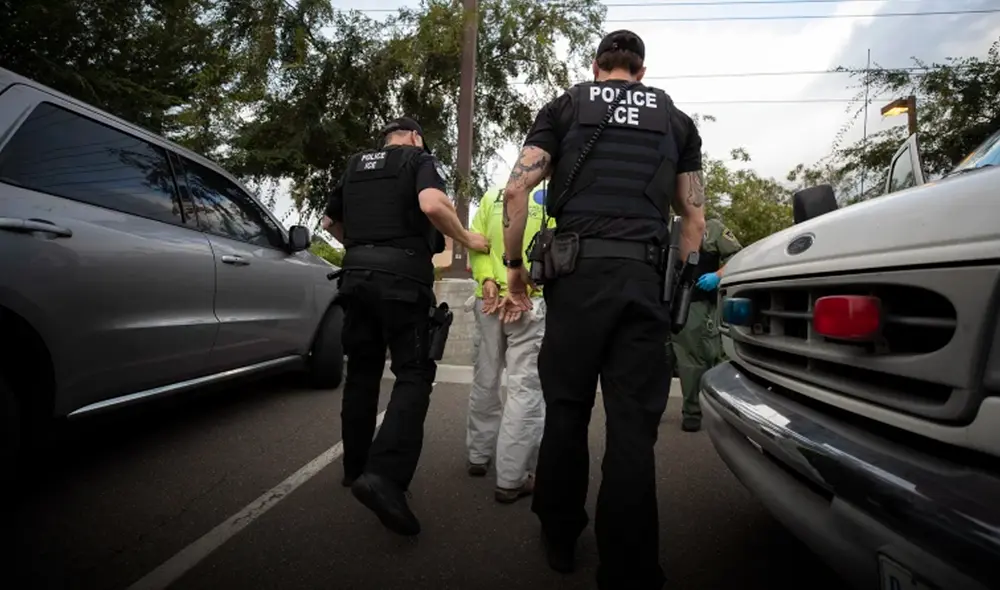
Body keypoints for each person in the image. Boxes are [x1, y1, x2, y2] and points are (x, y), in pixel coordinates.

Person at [500, 30, 707, 590]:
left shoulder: (566, 106)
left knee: (566, 411)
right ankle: (630, 566)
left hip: (575, 279)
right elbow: (693, 220)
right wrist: (680, 289)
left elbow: (516, 192)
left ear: (597, 68)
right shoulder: (677, 120)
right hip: (644, 283)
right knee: (633, 426)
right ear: (641, 71)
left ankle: (561, 536)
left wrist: (515, 265)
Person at [321, 117, 488, 537]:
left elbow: (330, 223)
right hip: (403, 283)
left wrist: (362, 250)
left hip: (355, 277)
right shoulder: (419, 158)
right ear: (415, 136)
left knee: (361, 372)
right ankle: (384, 476)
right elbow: (432, 205)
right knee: (413, 373)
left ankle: (354, 468)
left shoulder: (356, 164)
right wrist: (466, 239)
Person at [466, 184, 553, 504]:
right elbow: (557, 251)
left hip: (486, 301)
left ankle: (478, 455)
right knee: (525, 387)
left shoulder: (493, 195)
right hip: (528, 304)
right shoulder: (553, 197)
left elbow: (476, 241)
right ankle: (512, 477)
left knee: (485, 380)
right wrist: (524, 290)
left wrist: (488, 279)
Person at [671, 217, 742, 432]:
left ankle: (694, 412)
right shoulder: (668, 226)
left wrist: (718, 275)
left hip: (697, 304)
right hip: (666, 301)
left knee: (697, 358)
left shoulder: (713, 229)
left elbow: (738, 256)